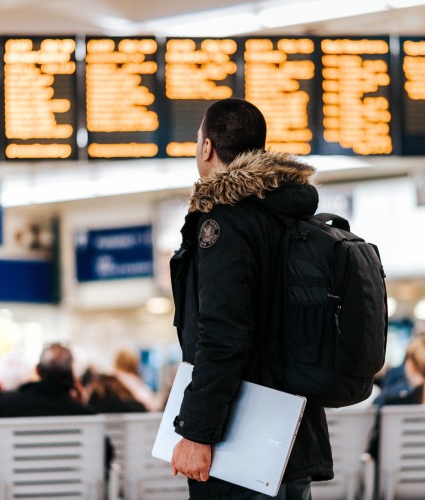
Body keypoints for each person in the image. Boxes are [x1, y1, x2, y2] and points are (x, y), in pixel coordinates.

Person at [169, 98, 331, 499]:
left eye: (196, 140)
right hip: (292, 433)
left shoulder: (224, 221)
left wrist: (197, 431)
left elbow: (223, 334)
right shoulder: (290, 217)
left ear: (207, 148)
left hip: (240, 441)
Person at [0, 344, 101, 499]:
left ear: (38, 370)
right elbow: (103, 466)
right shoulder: (86, 416)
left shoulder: (2, 408)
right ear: (72, 375)